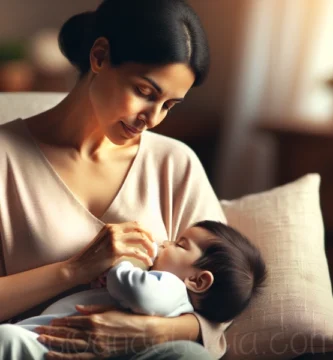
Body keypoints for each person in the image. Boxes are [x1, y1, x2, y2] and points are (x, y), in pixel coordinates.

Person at [0, 0, 235, 359]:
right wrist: (74, 270)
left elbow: (223, 302)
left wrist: (149, 332)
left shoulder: (175, 164)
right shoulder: (5, 158)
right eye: (145, 92)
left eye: (169, 105)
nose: (152, 118)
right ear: (99, 56)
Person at [16, 221, 267, 332]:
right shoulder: (170, 298)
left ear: (198, 281)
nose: (165, 243)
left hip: (52, 340)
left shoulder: (172, 288)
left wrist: (122, 263)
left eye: (179, 244)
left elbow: (137, 291)